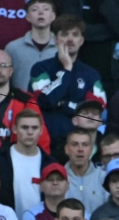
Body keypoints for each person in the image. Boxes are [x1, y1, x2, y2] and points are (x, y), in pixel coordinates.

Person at [30, 14, 107, 143]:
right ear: (55, 39)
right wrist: (67, 69)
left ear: (81, 41)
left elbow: (98, 108)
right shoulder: (40, 69)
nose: (70, 39)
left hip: (81, 144)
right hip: (48, 140)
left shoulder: (91, 74)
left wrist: (62, 104)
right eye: (65, 34)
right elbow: (45, 100)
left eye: (75, 35)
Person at [4, 0, 57, 91]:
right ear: (28, 17)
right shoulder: (13, 48)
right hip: (22, 103)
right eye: (34, 9)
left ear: (53, 16)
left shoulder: (61, 47)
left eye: (45, 9)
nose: (40, 12)